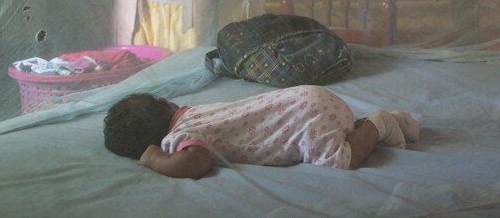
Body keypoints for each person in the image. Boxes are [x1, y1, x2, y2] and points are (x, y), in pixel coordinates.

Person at [103, 85, 420, 178]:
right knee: (337, 133)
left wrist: (155, 160)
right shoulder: (194, 112)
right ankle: (384, 120)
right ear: (165, 103)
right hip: (306, 99)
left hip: (305, 118)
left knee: (343, 159)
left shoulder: (180, 136)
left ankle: (379, 123)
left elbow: (195, 162)